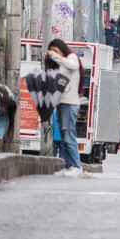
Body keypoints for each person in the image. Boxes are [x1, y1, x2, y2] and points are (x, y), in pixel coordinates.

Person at [47, 39, 84, 177]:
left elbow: (73, 66)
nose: (54, 54)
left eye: (55, 50)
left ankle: (76, 166)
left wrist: (54, 56)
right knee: (64, 137)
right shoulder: (60, 66)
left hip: (70, 103)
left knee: (69, 136)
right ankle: (69, 165)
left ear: (62, 49)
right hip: (62, 103)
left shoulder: (71, 57)